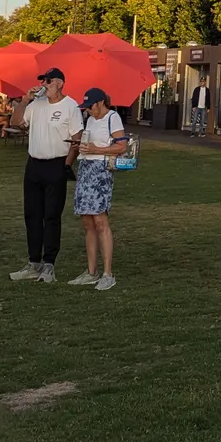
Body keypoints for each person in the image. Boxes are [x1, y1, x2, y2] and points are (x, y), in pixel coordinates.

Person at [9, 68, 83, 283]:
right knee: (31, 214)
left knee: (51, 216)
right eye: (42, 81)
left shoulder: (70, 106)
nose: (44, 84)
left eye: (48, 81)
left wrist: (66, 165)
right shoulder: (35, 105)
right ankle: (33, 262)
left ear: (60, 83)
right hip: (34, 165)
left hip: (56, 164)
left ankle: (49, 264)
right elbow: (16, 123)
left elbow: (76, 139)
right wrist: (24, 101)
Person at [68, 87, 127, 291]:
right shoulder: (91, 119)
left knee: (100, 220)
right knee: (87, 221)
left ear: (100, 102)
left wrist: (96, 149)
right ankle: (91, 271)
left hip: (100, 170)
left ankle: (107, 273)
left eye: (90, 106)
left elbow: (122, 146)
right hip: (85, 168)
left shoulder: (113, 118)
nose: (88, 111)